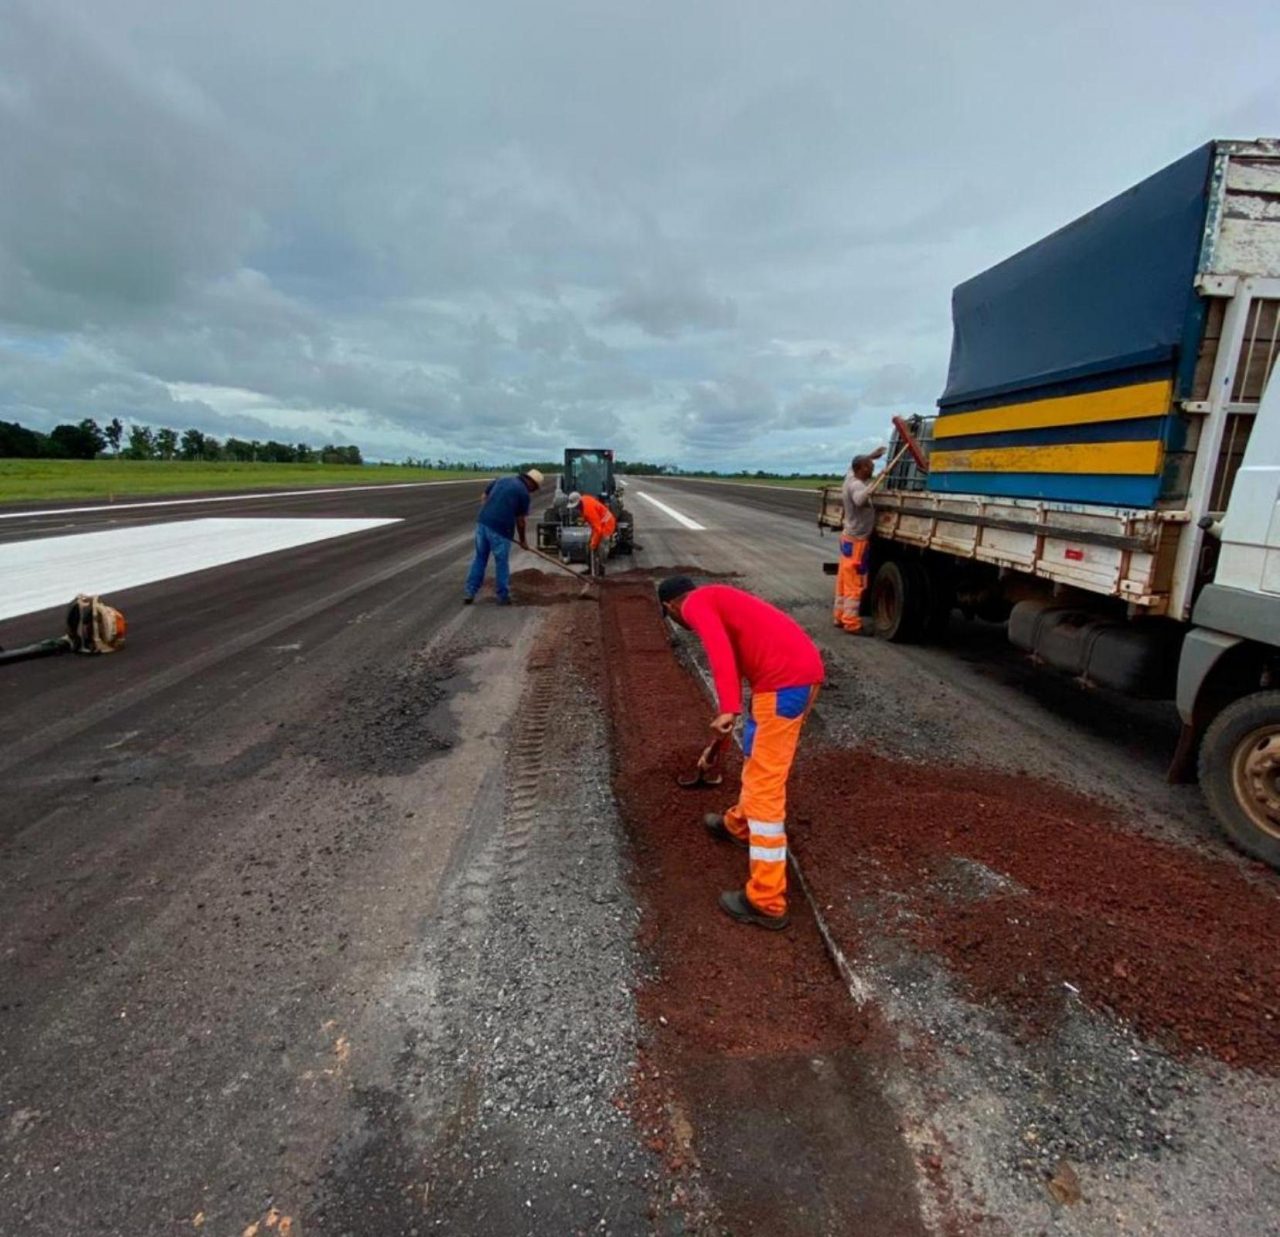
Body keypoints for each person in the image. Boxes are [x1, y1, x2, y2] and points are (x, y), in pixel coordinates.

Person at [658, 577, 824, 931]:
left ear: (673, 607)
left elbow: (717, 648)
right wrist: (728, 716)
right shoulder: (717, 599)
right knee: (755, 754)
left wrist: (729, 708)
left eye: (672, 616)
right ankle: (739, 825)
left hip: (784, 683)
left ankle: (766, 899)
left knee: (765, 785)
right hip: (787, 678)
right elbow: (731, 660)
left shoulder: (694, 604)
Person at [464, 469, 543, 605]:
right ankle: (503, 596)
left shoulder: (503, 479)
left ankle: (470, 591)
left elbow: (484, 496)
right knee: (501, 562)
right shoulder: (523, 493)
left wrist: (490, 511)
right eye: (534, 488)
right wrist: (523, 541)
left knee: (480, 558)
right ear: (531, 483)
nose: (533, 491)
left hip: (482, 523)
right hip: (501, 530)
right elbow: (521, 521)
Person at [834, 446, 886, 634]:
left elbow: (852, 466)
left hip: (848, 537)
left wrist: (872, 455)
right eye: (870, 466)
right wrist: (879, 479)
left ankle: (840, 616)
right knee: (854, 584)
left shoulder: (850, 477)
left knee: (843, 580)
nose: (872, 469)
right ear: (862, 469)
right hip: (857, 541)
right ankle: (851, 623)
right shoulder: (857, 485)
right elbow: (860, 500)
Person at [566, 490, 617, 576]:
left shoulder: (588, 510)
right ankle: (590, 568)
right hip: (599, 523)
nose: (575, 509)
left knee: (601, 547)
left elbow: (598, 530)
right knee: (589, 546)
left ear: (578, 503)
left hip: (607, 524)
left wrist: (594, 543)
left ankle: (600, 571)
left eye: (575, 506)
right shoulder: (584, 499)